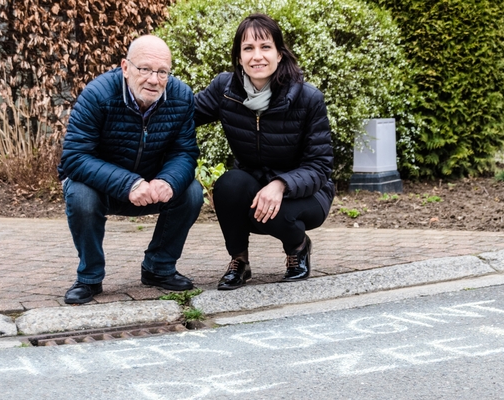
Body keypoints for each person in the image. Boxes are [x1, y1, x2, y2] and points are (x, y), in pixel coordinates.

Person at [58, 35, 204, 304]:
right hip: (101, 188)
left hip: (151, 187)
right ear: (125, 67)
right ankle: (90, 277)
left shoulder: (182, 96)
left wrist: (168, 181)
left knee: (191, 191)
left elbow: (184, 152)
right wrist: (129, 184)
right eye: (145, 69)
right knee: (81, 196)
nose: (154, 79)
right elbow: (75, 157)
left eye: (162, 72)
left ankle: (159, 268)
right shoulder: (97, 94)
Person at [195, 13, 334, 290]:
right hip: (255, 184)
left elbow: (320, 165)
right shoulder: (225, 90)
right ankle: (239, 262)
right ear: (239, 57)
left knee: (277, 212)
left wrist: (281, 184)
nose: (257, 56)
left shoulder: (308, 98)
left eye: (265, 47)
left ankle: (298, 247)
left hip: (306, 193)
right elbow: (183, 115)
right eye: (248, 48)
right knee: (228, 186)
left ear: (279, 54)